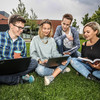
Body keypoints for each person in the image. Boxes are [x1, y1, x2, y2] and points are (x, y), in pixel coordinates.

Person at [30, 19, 70, 86]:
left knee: (69, 58)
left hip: (51, 62)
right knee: (40, 71)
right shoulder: (35, 39)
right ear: (41, 29)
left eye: (48, 29)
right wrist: (40, 61)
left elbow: (54, 53)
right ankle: (60, 70)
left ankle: (56, 71)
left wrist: (61, 58)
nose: (46, 31)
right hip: (41, 64)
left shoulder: (52, 40)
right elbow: (33, 54)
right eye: (44, 28)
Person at [0, 14, 38, 85]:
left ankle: (10, 79)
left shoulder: (22, 42)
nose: (21, 30)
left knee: (34, 62)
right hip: (2, 68)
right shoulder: (0, 37)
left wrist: (21, 59)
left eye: (22, 28)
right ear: (11, 25)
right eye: (19, 27)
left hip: (15, 68)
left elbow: (24, 59)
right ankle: (19, 79)